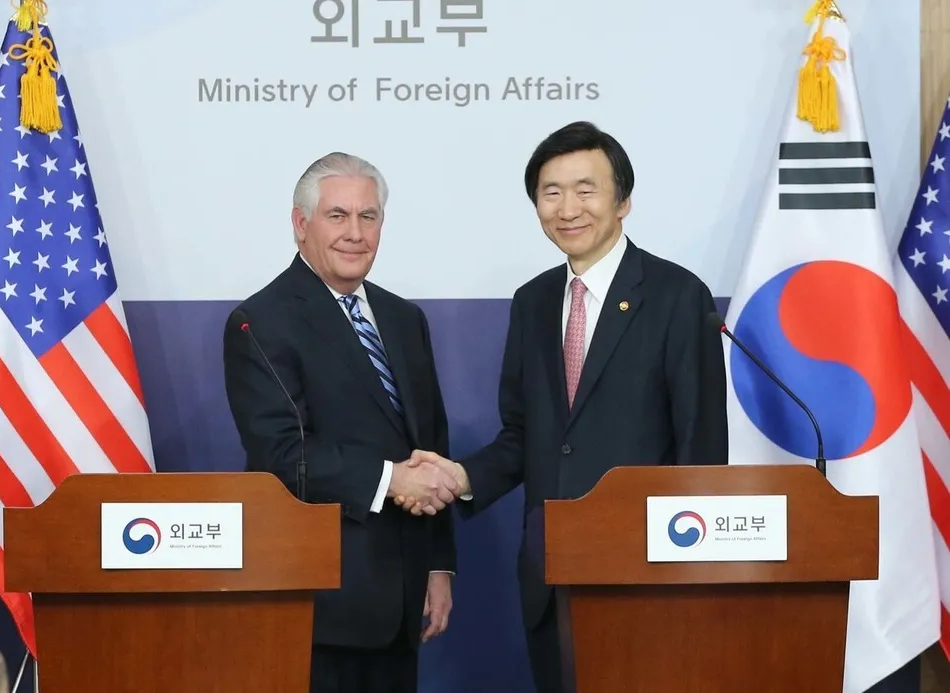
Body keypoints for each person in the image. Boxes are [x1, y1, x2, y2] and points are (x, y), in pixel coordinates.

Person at [396, 121, 729, 693]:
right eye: (551, 193)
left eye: (585, 189)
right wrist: (461, 477)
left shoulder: (678, 297)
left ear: (622, 200)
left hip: (646, 574)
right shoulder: (534, 301)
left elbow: (700, 448)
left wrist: (687, 570)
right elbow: (525, 434)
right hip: (551, 574)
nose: (567, 208)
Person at [222, 152, 460, 693]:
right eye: (338, 216)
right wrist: (391, 480)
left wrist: (439, 564)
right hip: (322, 604)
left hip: (403, 601)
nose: (355, 233)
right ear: (301, 224)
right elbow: (283, 455)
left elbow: (431, 446)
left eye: (368, 217)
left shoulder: (404, 318)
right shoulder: (260, 321)